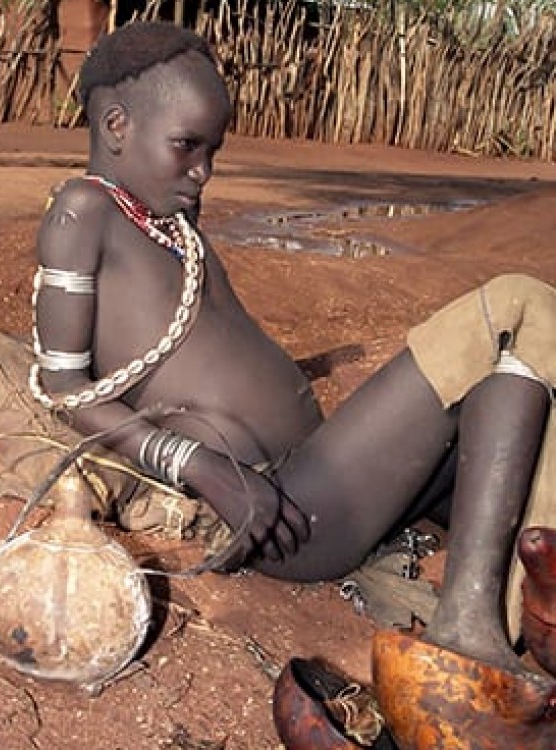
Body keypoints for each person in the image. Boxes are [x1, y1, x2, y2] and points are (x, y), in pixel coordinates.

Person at [29, 20, 555, 682]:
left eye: (212, 151)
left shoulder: (170, 226)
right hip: (287, 509)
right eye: (187, 146)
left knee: (508, 385)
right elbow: (62, 387)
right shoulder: (83, 210)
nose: (204, 173)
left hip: (323, 475)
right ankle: (466, 627)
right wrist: (205, 468)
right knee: (518, 304)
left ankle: (519, 595)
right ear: (115, 127)